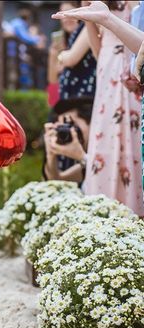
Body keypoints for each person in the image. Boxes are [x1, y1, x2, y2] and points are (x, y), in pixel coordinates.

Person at [54, 1, 144, 208]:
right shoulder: (94, 5)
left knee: (134, 135)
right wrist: (90, 20)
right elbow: (97, 51)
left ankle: (135, 206)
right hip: (107, 73)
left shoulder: (132, 5)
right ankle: (105, 206)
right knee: (106, 137)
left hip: (134, 67)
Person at [42, 96, 94, 185]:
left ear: (92, 121)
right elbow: (56, 181)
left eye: (70, 124)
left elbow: (105, 171)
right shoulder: (88, 161)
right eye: (62, 128)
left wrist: (81, 156)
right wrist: (51, 155)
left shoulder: (111, 150)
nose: (70, 131)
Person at [53, 1, 97, 101]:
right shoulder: (64, 39)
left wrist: (60, 56)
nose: (66, 18)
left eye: (69, 12)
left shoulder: (88, 25)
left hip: (83, 96)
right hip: (72, 96)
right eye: (62, 13)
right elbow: (52, 77)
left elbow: (71, 59)